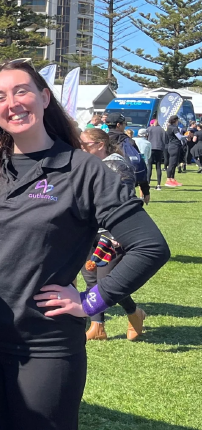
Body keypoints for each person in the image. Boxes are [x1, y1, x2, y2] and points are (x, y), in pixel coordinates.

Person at [0, 59, 169, 430]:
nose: (13, 103)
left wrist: (90, 301)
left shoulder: (84, 171)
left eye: (22, 91)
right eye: (0, 97)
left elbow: (149, 246)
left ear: (45, 97)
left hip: (43, 349)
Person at [79, 128, 147, 341]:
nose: (81, 149)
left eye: (85, 145)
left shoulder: (117, 165)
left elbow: (123, 201)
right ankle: (98, 326)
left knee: (106, 281)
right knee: (91, 278)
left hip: (111, 233)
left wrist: (116, 231)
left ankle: (134, 313)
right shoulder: (89, 164)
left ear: (100, 144)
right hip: (88, 230)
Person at [105, 114, 150, 204]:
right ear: (118, 125)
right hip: (125, 183)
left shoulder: (101, 141)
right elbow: (139, 163)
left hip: (104, 182)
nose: (125, 126)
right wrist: (145, 190)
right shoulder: (128, 141)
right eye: (124, 123)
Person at [146, 117, 168, 190]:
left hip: (151, 148)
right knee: (158, 167)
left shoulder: (149, 129)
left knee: (149, 167)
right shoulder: (162, 130)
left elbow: (146, 138)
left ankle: (148, 183)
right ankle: (158, 184)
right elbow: (165, 140)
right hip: (159, 149)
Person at [165, 115, 183, 187]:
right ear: (175, 120)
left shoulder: (169, 127)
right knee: (172, 164)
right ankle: (168, 179)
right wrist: (187, 136)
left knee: (174, 163)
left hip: (172, 146)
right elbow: (180, 137)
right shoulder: (174, 128)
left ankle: (172, 179)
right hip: (174, 146)